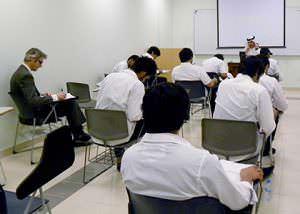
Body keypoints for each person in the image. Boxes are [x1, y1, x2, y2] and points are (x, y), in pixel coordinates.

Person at [121, 82, 263, 211]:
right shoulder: (201, 162)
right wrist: (245, 179)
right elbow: (238, 202)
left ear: (144, 113)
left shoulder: (128, 157)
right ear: (185, 116)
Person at [10, 48, 90, 144]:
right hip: (35, 114)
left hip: (26, 113)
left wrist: (43, 95)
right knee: (70, 102)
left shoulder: (19, 73)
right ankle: (79, 134)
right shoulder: (25, 75)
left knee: (69, 102)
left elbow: (28, 97)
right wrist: (55, 97)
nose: (41, 66)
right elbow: (33, 101)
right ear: (32, 59)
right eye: (40, 62)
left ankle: (79, 133)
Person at [214, 56, 276, 171]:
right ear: (257, 73)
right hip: (246, 150)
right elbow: (268, 128)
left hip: (218, 147)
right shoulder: (259, 90)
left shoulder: (223, 85)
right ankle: (263, 164)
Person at [96, 57, 156, 170]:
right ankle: (138, 160)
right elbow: (134, 116)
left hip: (97, 130)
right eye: (147, 77)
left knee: (115, 117)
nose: (146, 79)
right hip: (120, 134)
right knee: (149, 120)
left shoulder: (109, 77)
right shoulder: (137, 84)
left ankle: (120, 158)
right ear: (143, 73)